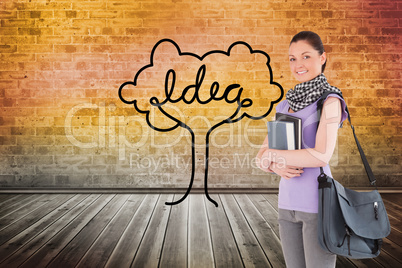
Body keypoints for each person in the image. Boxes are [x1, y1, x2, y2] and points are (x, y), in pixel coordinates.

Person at [256, 31, 348, 268]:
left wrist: (273, 156)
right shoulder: (285, 104)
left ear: (323, 58)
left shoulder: (330, 101)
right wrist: (275, 165)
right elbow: (261, 155)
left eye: (306, 56)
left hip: (318, 204)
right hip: (287, 204)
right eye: (292, 58)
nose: (298, 64)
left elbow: (321, 155)